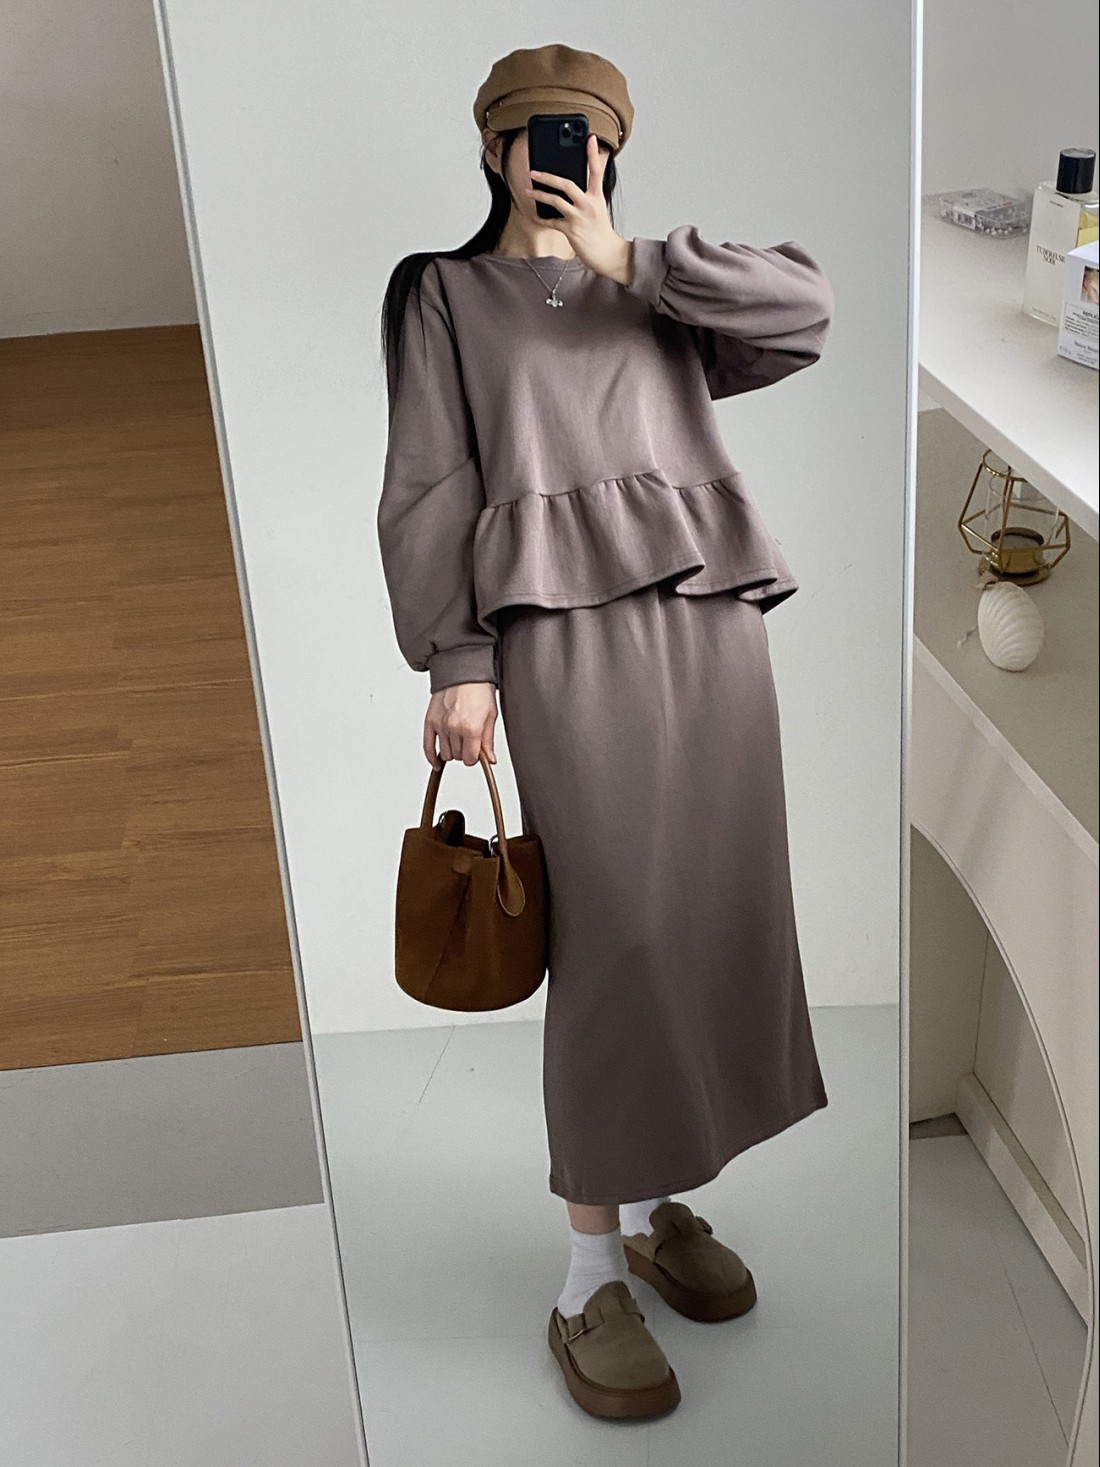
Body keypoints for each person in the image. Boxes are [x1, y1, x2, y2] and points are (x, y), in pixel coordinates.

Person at [376, 42, 835, 1421]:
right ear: (490, 148)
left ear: (612, 147)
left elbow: (808, 312)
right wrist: (459, 659)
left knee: (709, 908)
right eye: (528, 130)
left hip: (711, 625)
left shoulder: (666, 285)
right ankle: (587, 1273)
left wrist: (634, 261)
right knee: (617, 933)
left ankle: (645, 1204)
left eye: (576, 131)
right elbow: (428, 481)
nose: (552, 151)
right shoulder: (444, 294)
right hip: (559, 640)